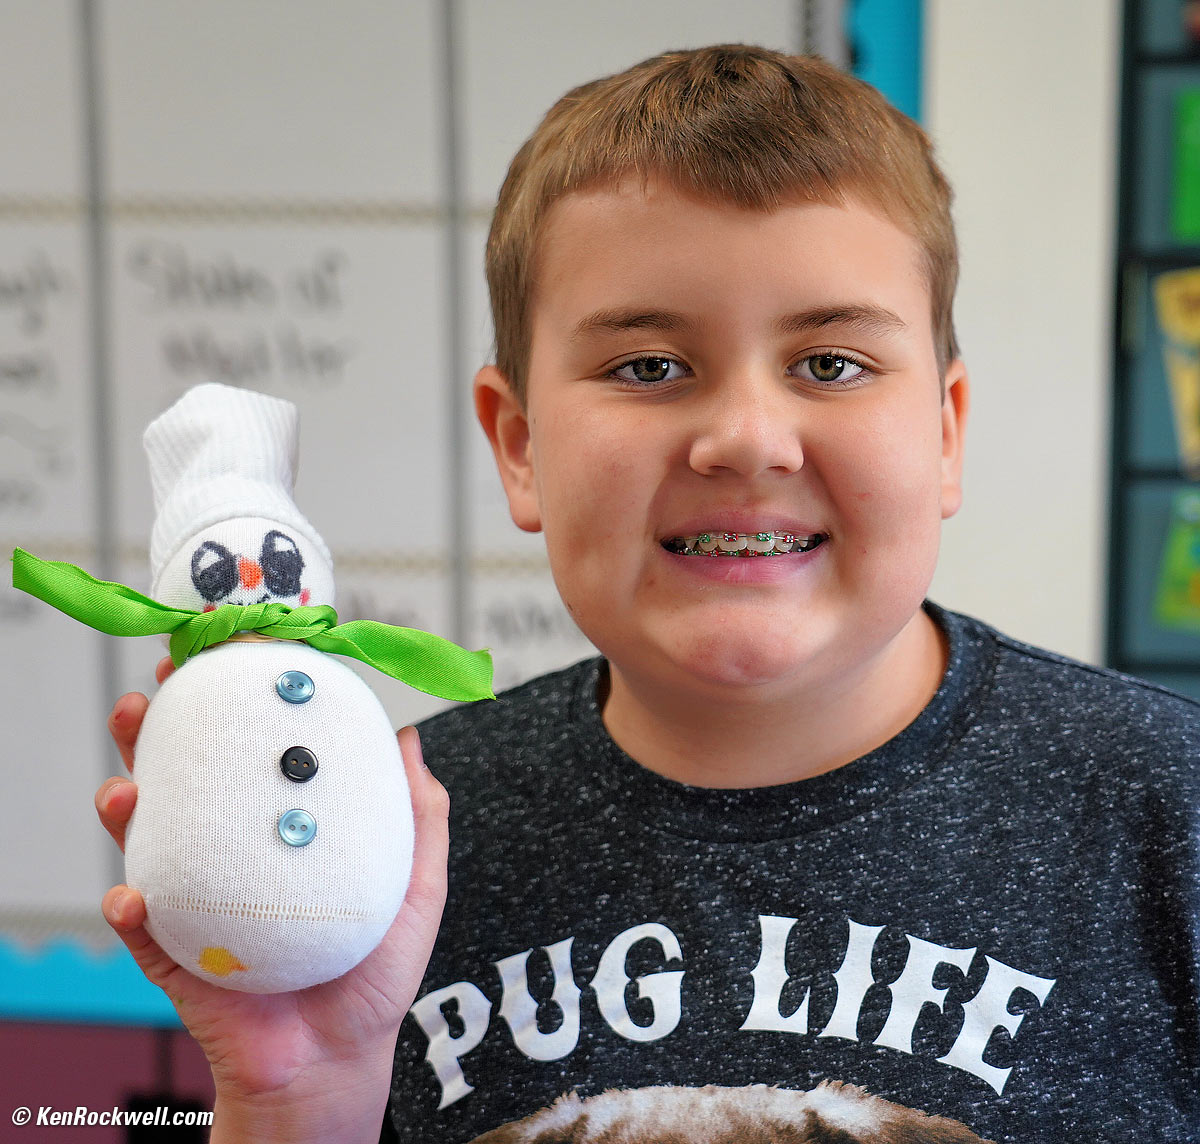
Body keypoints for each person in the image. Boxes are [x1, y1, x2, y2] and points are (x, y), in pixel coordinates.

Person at [96, 45, 1200, 1143]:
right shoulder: (387, 845)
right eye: (648, 367)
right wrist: (293, 1103)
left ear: (947, 431)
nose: (747, 439)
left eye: (829, 363)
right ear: (519, 444)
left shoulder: (1172, 810)